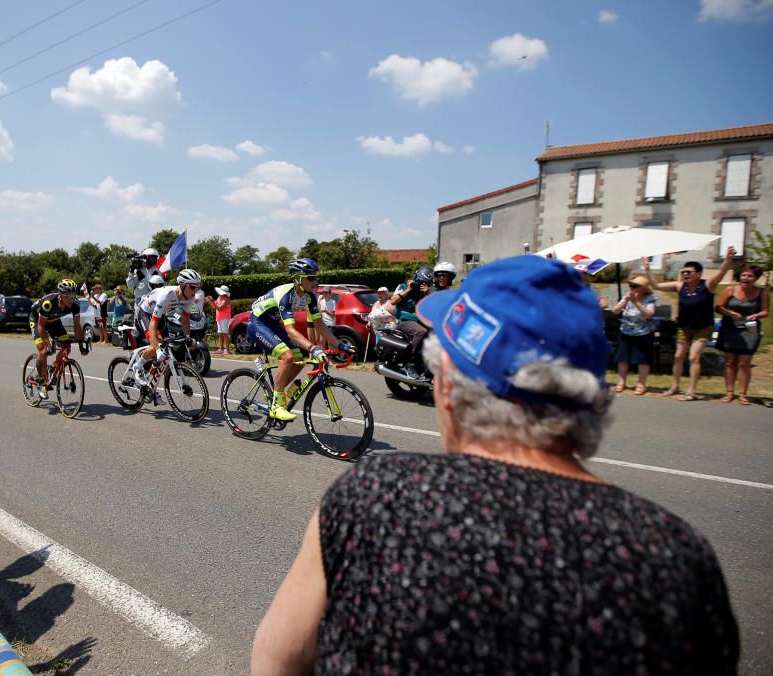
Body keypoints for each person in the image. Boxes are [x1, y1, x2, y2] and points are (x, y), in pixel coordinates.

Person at [252, 255, 739, 675]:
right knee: (288, 355)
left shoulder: (369, 495)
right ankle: (276, 399)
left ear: (445, 388)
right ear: (593, 395)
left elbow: (277, 660)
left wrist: (320, 343)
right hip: (270, 328)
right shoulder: (681, 558)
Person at [247, 258, 350, 422]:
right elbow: (290, 330)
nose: (315, 281)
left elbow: (319, 323)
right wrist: (313, 348)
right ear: (297, 278)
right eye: (310, 277)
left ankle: (277, 394)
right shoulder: (286, 295)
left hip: (272, 323)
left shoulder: (309, 296)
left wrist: (339, 344)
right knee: (287, 357)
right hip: (257, 323)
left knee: (298, 359)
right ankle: (275, 406)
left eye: (316, 277)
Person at [643, 247, 736, 401]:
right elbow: (656, 286)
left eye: (689, 272)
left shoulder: (708, 286)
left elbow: (720, 274)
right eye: (684, 272)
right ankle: (675, 386)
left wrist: (727, 260)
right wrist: (647, 270)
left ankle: (691, 391)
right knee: (679, 356)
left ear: (698, 274)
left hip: (703, 327)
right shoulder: (680, 286)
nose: (685, 274)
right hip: (684, 327)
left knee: (693, 357)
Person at [130, 269, 202, 387]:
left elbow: (185, 320)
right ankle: (137, 366)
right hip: (145, 313)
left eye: (197, 288)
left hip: (160, 315)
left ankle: (150, 387)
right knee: (156, 346)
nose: (195, 292)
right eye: (193, 287)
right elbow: (153, 325)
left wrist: (188, 338)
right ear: (183, 285)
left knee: (166, 346)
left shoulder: (189, 298)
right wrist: (157, 349)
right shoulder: (167, 295)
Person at [715, 263, 768, 405]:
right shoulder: (730, 290)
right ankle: (729, 392)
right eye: (744, 275)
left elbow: (765, 311)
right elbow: (719, 307)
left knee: (744, 363)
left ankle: (743, 394)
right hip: (730, 328)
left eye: (750, 276)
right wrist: (730, 313)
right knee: (730, 362)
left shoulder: (762, 292)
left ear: (756, 278)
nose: (746, 278)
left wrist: (756, 315)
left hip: (750, 329)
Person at [28, 279, 88, 396]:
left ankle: (53, 368)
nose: (71, 299)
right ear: (60, 295)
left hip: (54, 321)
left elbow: (77, 326)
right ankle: (40, 381)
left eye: (73, 295)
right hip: (37, 320)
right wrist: (48, 342)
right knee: (43, 349)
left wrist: (81, 344)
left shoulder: (75, 305)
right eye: (67, 296)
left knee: (67, 347)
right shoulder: (48, 303)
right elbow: (41, 326)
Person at [611, 274, 657, 395]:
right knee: (622, 358)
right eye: (631, 285)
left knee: (643, 359)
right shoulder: (628, 296)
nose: (631, 288)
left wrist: (636, 302)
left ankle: (641, 384)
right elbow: (615, 310)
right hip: (626, 331)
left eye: (635, 286)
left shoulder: (650, 298)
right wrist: (625, 301)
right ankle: (621, 382)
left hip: (643, 332)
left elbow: (649, 314)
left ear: (643, 288)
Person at [388, 266, 434, 379]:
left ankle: (426, 366)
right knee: (421, 332)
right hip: (404, 320)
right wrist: (408, 289)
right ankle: (409, 364)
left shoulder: (424, 293)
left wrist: (427, 293)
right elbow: (393, 301)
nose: (420, 285)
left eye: (424, 283)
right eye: (420, 282)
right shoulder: (403, 287)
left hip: (419, 321)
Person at [213, 285, 232, 354]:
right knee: (220, 333)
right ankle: (221, 349)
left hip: (225, 318)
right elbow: (214, 306)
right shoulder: (219, 297)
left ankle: (227, 350)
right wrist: (210, 301)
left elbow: (219, 308)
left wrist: (212, 302)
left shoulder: (226, 299)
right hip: (219, 317)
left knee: (225, 333)